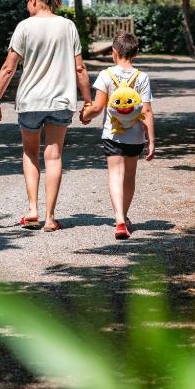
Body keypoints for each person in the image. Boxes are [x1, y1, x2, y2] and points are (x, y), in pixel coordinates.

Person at [0, 0, 92, 232]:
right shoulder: (68, 26)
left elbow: (8, 68)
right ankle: (49, 218)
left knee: (30, 152)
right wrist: (88, 101)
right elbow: (80, 68)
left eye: (27, 1)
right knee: (54, 155)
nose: (27, 6)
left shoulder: (24, 27)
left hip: (30, 101)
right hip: (60, 100)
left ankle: (33, 209)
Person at [80, 32, 155, 240]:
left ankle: (119, 219)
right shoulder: (142, 77)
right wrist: (151, 141)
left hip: (112, 134)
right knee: (129, 176)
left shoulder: (106, 75)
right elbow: (147, 111)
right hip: (135, 135)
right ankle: (125, 215)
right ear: (136, 53)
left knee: (115, 175)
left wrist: (85, 115)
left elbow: (97, 107)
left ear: (114, 52)